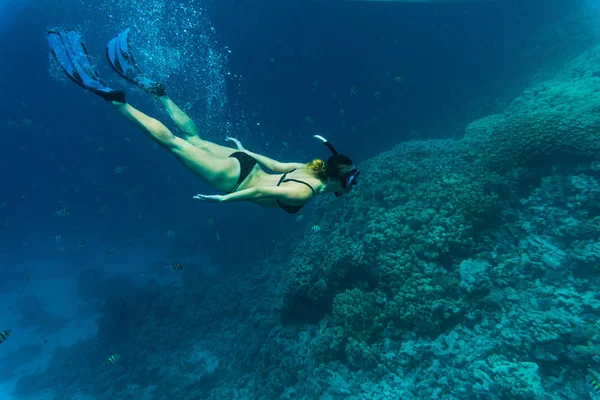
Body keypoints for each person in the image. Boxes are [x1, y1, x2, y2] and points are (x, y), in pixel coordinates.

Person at [47, 28, 360, 214]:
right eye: (350, 182)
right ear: (338, 180)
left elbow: (276, 166)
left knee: (193, 138)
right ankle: (117, 103)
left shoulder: (310, 166)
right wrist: (225, 199)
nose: (351, 186)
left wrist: (245, 150)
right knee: (172, 144)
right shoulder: (305, 192)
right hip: (234, 180)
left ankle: (159, 94)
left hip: (244, 164)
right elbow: (259, 194)